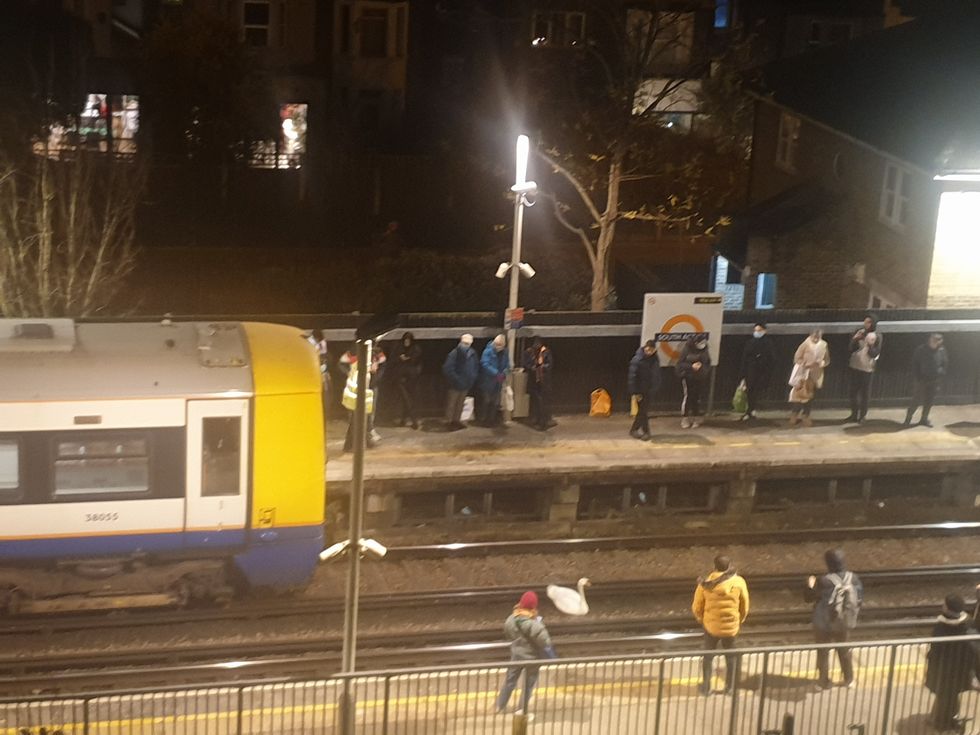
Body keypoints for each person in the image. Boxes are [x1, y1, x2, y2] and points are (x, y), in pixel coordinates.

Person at [805, 549, 863, 689]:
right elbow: (860, 597)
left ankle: (824, 682)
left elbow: (808, 598)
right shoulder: (853, 578)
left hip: (823, 623)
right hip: (843, 622)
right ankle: (849, 679)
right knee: (843, 650)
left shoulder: (824, 581)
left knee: (823, 652)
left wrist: (810, 585)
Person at [692, 555, 750, 695]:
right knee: (731, 657)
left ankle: (706, 688)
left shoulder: (705, 583)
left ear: (715, 566)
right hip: (731, 628)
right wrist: (738, 620)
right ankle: (730, 688)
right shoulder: (739, 582)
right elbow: (745, 606)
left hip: (711, 627)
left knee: (708, 657)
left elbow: (696, 607)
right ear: (729, 566)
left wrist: (702, 620)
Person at [925, 594, 980, 733]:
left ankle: (943, 724)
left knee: (944, 696)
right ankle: (948, 720)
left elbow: (935, 649)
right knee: (952, 695)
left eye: (944, 604)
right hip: (960, 669)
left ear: (948, 609)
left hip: (944, 670)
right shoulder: (968, 624)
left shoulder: (941, 627)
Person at [496, 590, 557, 714]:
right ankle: (521, 710)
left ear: (521, 603)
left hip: (516, 656)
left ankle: (500, 706)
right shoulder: (535, 625)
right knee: (528, 686)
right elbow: (545, 642)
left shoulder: (511, 619)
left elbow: (509, 634)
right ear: (533, 607)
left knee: (510, 681)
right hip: (532, 659)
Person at [339, 344, 386, 452]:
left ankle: (352, 444)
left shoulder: (369, 358)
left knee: (360, 418)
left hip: (361, 393)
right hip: (356, 395)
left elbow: (382, 366)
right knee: (358, 419)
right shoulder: (358, 365)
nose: (376, 366)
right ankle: (356, 443)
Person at [845, 315, 882, 424]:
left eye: (869, 322)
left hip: (867, 368)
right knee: (853, 392)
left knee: (865, 394)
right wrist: (855, 339)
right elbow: (850, 349)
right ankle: (853, 414)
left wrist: (870, 345)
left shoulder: (877, 336)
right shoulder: (859, 332)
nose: (866, 324)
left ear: (873, 324)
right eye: (865, 321)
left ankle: (863, 416)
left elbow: (875, 354)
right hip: (855, 366)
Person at [904, 333, 947, 428]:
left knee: (929, 401)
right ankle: (908, 418)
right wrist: (918, 377)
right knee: (916, 400)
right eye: (934, 340)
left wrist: (941, 373)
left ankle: (924, 419)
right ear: (930, 340)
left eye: (939, 340)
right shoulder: (921, 350)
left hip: (934, 380)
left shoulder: (942, 350)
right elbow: (915, 364)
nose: (936, 342)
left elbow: (944, 363)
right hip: (922, 380)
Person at [789, 329, 830, 427]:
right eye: (814, 337)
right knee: (799, 394)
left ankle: (806, 415)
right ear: (810, 336)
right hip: (803, 373)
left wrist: (822, 363)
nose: (816, 339)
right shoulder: (805, 344)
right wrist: (804, 364)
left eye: (818, 337)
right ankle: (794, 414)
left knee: (810, 395)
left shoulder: (824, 344)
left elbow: (827, 359)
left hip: (815, 373)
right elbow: (797, 358)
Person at [738, 322, 776, 421]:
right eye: (755, 330)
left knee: (755, 391)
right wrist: (743, 374)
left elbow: (771, 359)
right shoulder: (750, 342)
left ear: (764, 331)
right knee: (749, 390)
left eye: (759, 330)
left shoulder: (768, 343)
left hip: (761, 372)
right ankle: (750, 410)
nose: (757, 332)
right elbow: (744, 358)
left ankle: (751, 410)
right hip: (750, 372)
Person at [442, 334, 479, 430]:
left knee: (460, 404)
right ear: (461, 342)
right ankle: (449, 422)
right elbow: (447, 369)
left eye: (468, 343)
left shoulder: (472, 353)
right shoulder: (454, 354)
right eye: (464, 343)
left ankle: (456, 421)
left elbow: (475, 366)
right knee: (452, 404)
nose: (466, 345)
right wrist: (457, 379)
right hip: (454, 384)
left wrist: (472, 377)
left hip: (466, 384)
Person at [628, 340, 661, 441]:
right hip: (640, 390)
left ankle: (634, 429)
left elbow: (656, 375)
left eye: (651, 350)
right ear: (645, 348)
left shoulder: (655, 360)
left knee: (642, 411)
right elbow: (632, 377)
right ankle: (646, 432)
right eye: (648, 350)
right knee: (643, 411)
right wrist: (635, 392)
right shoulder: (637, 360)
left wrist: (655, 387)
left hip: (649, 390)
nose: (649, 352)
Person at [676, 335, 711, 429]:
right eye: (700, 343)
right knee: (688, 396)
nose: (702, 345)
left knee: (697, 398)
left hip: (699, 377)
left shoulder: (705, 349)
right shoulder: (687, 348)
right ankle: (685, 418)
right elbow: (680, 364)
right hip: (688, 377)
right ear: (695, 343)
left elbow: (707, 363)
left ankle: (696, 417)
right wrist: (691, 366)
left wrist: (702, 368)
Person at [392, 332, 423, 429]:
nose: (406, 342)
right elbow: (393, 361)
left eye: (408, 340)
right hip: (401, 379)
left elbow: (417, 361)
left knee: (409, 400)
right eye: (405, 340)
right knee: (407, 399)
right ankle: (414, 421)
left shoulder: (416, 349)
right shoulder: (398, 348)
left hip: (412, 378)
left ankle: (404, 420)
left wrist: (408, 359)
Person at [479, 334, 510, 427]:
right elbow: (484, 364)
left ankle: (491, 419)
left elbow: (507, 365)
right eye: (497, 345)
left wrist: (504, 373)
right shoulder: (487, 351)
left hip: (498, 381)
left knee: (495, 401)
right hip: (488, 380)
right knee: (486, 401)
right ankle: (484, 419)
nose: (499, 347)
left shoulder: (505, 352)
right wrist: (496, 373)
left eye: (501, 345)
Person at [523, 339, 555, 431]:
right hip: (534, 381)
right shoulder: (529, 352)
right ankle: (537, 419)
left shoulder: (546, 352)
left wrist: (541, 366)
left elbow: (549, 365)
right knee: (536, 401)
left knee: (542, 402)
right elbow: (526, 364)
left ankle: (543, 422)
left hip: (544, 381)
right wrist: (533, 367)